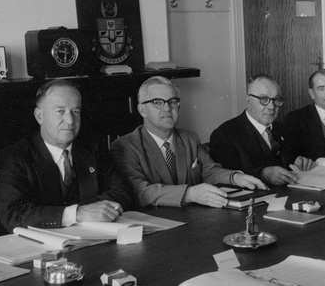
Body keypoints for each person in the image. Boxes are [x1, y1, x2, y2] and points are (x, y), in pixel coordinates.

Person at [0, 79, 132, 233]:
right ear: (40, 116)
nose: (70, 120)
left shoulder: (94, 147)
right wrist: (77, 213)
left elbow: (123, 192)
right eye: (60, 111)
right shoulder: (15, 157)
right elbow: (13, 214)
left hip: (94, 237)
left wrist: (82, 211)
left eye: (75, 111)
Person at [110, 76, 267, 207]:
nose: (167, 108)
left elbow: (210, 171)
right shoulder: (125, 146)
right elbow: (139, 191)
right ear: (142, 110)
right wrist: (188, 194)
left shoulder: (189, 138)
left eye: (172, 102)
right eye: (157, 102)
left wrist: (235, 177)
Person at [209, 75, 314, 186]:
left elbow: (290, 163)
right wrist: (262, 174)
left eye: (276, 100)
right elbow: (228, 178)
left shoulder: (283, 129)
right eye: (264, 99)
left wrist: (299, 161)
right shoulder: (225, 135)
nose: (272, 107)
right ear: (249, 101)